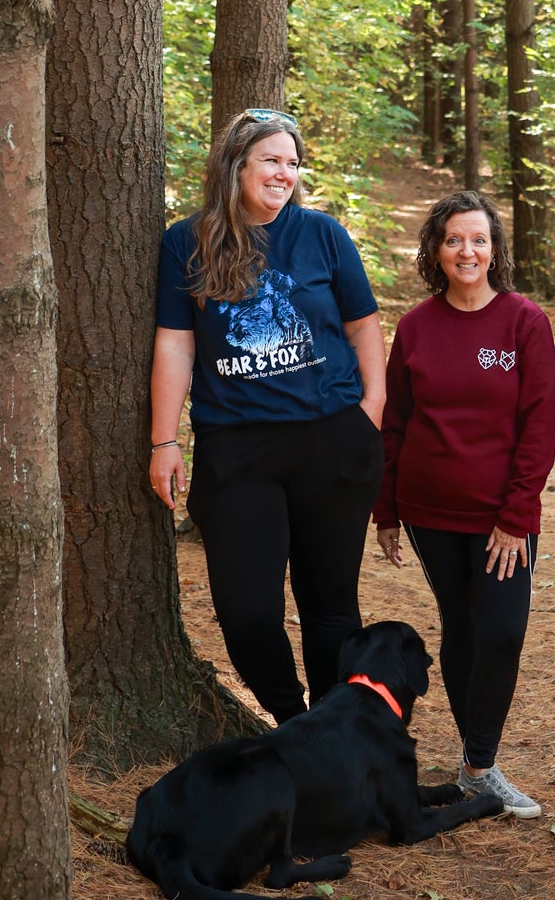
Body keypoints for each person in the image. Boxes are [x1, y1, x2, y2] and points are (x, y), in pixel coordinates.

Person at [149, 108, 386, 722]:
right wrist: (163, 440)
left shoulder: (322, 234)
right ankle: (293, 720)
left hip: (332, 440)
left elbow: (364, 326)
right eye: (271, 160)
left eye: (292, 163)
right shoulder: (187, 241)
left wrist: (371, 410)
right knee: (246, 611)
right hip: (237, 448)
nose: (284, 173)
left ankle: (331, 729)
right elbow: (176, 344)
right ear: (236, 166)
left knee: (330, 604)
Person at [374, 189, 555, 818]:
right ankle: (477, 761)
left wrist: (515, 516)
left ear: (496, 250)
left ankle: (479, 764)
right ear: (436, 251)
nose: (467, 251)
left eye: (479, 239)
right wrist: (386, 510)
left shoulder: (523, 322)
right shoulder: (415, 327)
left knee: (501, 632)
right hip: (428, 510)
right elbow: (395, 423)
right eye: (454, 239)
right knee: (460, 625)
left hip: (502, 514)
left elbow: (540, 425)